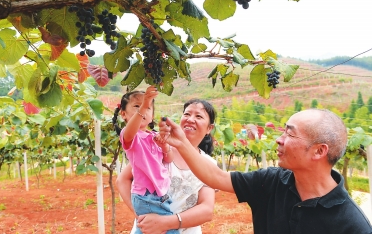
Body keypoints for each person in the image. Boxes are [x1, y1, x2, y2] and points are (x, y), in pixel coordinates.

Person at [157, 108, 372, 234]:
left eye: (290, 134)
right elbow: (216, 177)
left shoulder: (351, 225)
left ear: (318, 151)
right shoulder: (271, 181)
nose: (279, 140)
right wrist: (182, 143)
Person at [116, 99, 218, 234]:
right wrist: (140, 215)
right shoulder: (159, 147)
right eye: (187, 114)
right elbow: (122, 180)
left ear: (209, 128)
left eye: (198, 116)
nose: (190, 119)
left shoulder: (209, 164)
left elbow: (206, 209)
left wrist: (165, 223)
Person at [112, 85, 177, 234]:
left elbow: (169, 159)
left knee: (150, 229)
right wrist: (145, 105)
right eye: (137, 106)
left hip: (160, 194)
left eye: (148, 108)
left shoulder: (153, 136)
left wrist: (165, 146)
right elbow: (130, 132)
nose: (143, 109)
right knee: (168, 230)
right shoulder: (130, 136)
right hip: (147, 196)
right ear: (123, 114)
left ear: (152, 115)